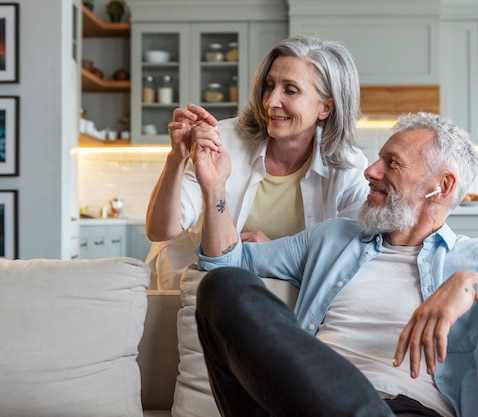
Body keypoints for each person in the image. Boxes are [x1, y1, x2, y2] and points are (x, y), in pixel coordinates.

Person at [192, 112, 478, 417]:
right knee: (223, 287)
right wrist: (214, 186)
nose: (371, 171)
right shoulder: (332, 237)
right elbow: (223, 261)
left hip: (404, 410)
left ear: (440, 186)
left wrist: (471, 285)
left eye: (391, 163)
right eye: (378, 159)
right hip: (297, 399)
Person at [144, 35, 369, 289]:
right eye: (269, 85)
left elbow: (353, 258)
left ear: (325, 108)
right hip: (184, 289)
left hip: (267, 299)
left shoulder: (348, 167)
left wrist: (272, 253)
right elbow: (161, 230)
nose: (271, 101)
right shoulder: (222, 141)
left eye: (290, 90)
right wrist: (177, 158)